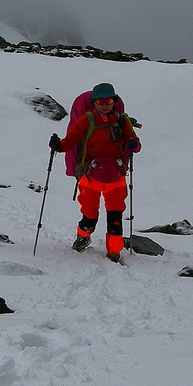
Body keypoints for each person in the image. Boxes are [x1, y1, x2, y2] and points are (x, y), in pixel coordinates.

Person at [49, 83, 141, 262]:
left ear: (114, 101)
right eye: (100, 101)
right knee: (89, 215)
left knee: (115, 218)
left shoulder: (123, 122)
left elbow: (135, 144)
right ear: (94, 103)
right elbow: (71, 141)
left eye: (108, 100)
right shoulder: (87, 120)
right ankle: (83, 235)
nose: (105, 104)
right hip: (90, 177)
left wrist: (133, 145)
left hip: (116, 177)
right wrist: (58, 145)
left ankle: (114, 253)